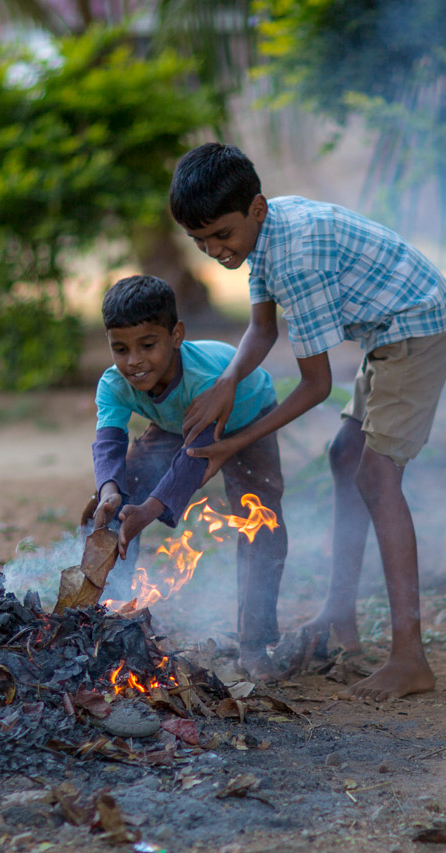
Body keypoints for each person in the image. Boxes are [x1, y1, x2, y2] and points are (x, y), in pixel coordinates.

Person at [169, 143, 446, 701]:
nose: (214, 251)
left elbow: (316, 386)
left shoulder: (295, 257)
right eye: (199, 241)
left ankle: (410, 658)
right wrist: (227, 381)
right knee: (344, 456)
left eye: (221, 236)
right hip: (390, 332)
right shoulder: (264, 234)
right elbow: (262, 328)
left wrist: (234, 443)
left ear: (255, 209)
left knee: (377, 477)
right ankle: (339, 611)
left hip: (419, 326)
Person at [87, 274, 289, 677]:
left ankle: (254, 643)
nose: (134, 361)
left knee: (260, 522)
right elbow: (108, 442)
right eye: (121, 349)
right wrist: (110, 490)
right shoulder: (114, 383)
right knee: (114, 505)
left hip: (247, 413)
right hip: (178, 422)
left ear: (176, 335)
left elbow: (195, 458)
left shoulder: (203, 380)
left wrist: (150, 510)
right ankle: (109, 616)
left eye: (147, 345)